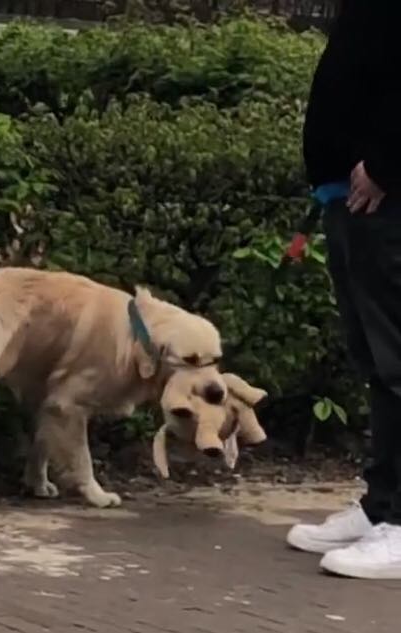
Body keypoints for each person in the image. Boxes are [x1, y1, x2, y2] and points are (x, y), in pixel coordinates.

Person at [286, 0, 401, 579]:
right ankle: (382, 507)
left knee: (398, 360)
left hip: (386, 196)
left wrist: (386, 161)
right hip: (349, 196)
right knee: (377, 362)